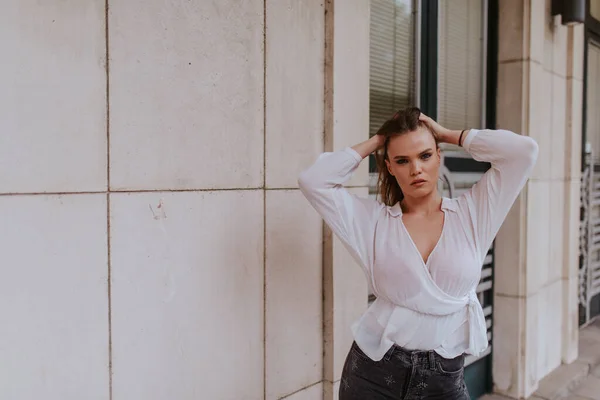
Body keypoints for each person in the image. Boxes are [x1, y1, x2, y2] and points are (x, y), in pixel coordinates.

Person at [298, 107, 538, 400]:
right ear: (389, 167)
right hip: (373, 374)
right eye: (402, 160)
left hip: (443, 380)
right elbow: (314, 180)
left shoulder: (473, 214)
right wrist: (378, 140)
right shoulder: (371, 222)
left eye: (425, 155)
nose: (416, 169)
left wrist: (450, 135)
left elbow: (524, 152)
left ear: (439, 156)